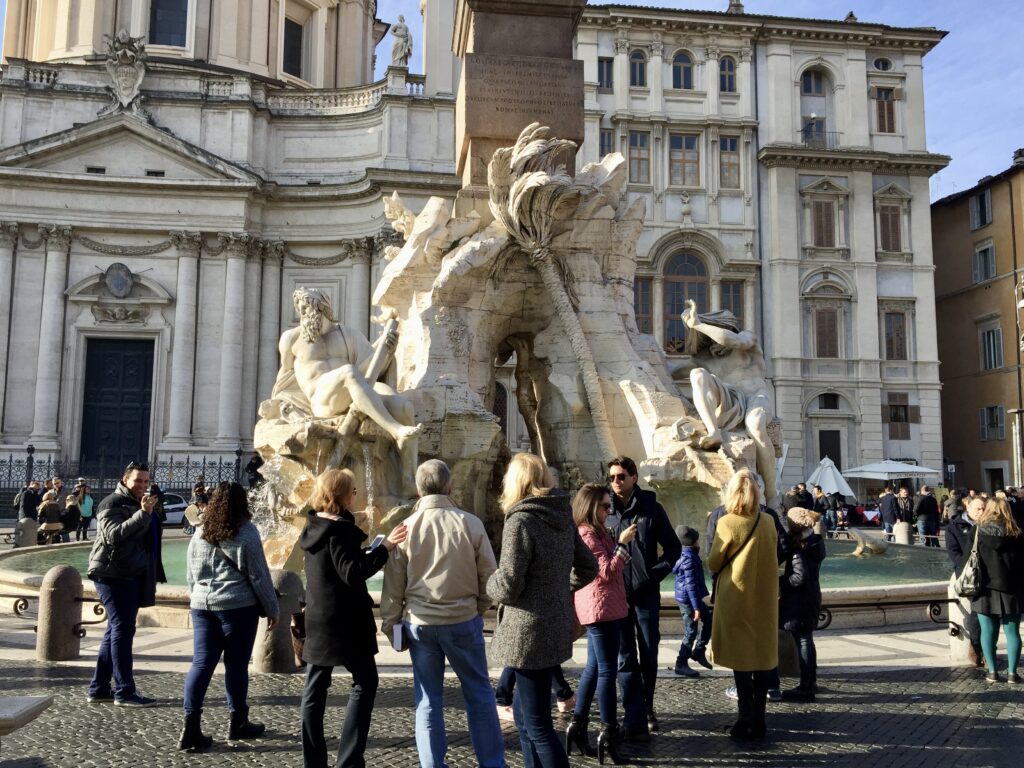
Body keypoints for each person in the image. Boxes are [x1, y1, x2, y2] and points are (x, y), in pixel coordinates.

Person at [380, 460, 505, 768]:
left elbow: (394, 585)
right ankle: (491, 763)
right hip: (462, 619)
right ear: (449, 487)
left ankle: (432, 765)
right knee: (479, 695)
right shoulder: (470, 523)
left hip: (421, 622)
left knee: (427, 700)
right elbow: (490, 577)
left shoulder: (405, 529)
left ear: (419, 490)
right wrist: (477, 609)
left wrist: (391, 623)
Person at [487, 453, 597, 768]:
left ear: (516, 482)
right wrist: (559, 591)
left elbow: (508, 584)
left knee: (537, 725)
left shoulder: (521, 519)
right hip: (554, 624)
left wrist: (488, 584)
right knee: (523, 717)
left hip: (528, 632)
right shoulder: (560, 514)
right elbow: (588, 566)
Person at [300, 468, 407, 768]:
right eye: (353, 490)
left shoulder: (313, 526)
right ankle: (348, 759)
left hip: (318, 618)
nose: (355, 495)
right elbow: (352, 572)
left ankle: (314, 761)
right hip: (345, 623)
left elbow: (338, 566)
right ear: (343, 495)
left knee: (315, 689)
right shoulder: (341, 531)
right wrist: (383, 549)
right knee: (365, 682)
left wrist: (366, 550)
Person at [179, 481, 280, 752]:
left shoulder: (200, 531)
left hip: (202, 606)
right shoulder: (246, 532)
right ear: (241, 503)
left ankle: (190, 727)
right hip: (237, 607)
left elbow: (190, 573)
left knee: (201, 664)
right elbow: (259, 575)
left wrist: (197, 597)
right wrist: (273, 609)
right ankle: (238, 722)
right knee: (235, 665)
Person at [605, 456, 680, 738]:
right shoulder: (606, 510)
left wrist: (654, 575)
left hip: (646, 594)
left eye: (621, 476)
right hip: (617, 595)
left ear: (634, 477)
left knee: (649, 653)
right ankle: (633, 712)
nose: (615, 482)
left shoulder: (651, 508)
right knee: (625, 657)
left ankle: (647, 707)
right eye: (612, 477)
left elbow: (673, 548)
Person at [708, 468, 780, 741]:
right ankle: (759, 720)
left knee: (741, 661)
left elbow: (714, 562)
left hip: (736, 597)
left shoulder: (727, 522)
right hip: (763, 597)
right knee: (761, 659)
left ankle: (744, 719)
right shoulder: (768, 521)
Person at [566, 483, 635, 765]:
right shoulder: (586, 535)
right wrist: (622, 546)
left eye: (610, 506)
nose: (609, 511)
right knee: (608, 671)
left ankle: (577, 725)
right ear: (590, 506)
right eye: (605, 506)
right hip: (600, 608)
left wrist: (617, 546)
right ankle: (608, 734)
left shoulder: (597, 532)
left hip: (606, 606)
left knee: (594, 668)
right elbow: (604, 573)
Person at [86, 462, 159, 707]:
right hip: (111, 573)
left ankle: (98, 688)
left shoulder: (134, 503)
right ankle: (124, 692)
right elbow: (113, 535)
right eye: (138, 481)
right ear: (125, 479)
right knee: (122, 630)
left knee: (115, 630)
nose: (143, 486)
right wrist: (143, 514)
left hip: (128, 573)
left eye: (146, 481)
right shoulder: (111, 503)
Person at [970, 498, 1024, 683]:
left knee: (987, 632)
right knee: (1013, 633)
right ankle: (1012, 673)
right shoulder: (1016, 532)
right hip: (1012, 588)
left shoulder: (977, 530)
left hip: (984, 588)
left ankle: (992, 672)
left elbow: (967, 559)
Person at [779, 508, 827, 701]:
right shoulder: (815, 543)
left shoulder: (800, 550)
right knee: (807, 639)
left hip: (799, 601)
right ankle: (810, 681)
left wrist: (780, 581)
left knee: (804, 641)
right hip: (811, 597)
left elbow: (799, 578)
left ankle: (806, 686)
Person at [947, 495, 985, 667]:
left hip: (989, 575)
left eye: (984, 508)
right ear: (967, 508)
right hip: (969, 576)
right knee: (975, 614)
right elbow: (954, 553)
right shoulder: (954, 527)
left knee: (989, 615)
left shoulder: (989, 525)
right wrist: (965, 571)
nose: (982, 512)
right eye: (978, 509)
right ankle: (976, 646)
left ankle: (984, 648)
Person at [671, 526, 713, 678]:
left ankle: (699, 651)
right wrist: (696, 607)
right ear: (694, 542)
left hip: (690, 598)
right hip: (688, 600)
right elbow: (690, 586)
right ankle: (681, 663)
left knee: (708, 620)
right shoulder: (689, 559)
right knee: (691, 631)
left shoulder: (686, 554)